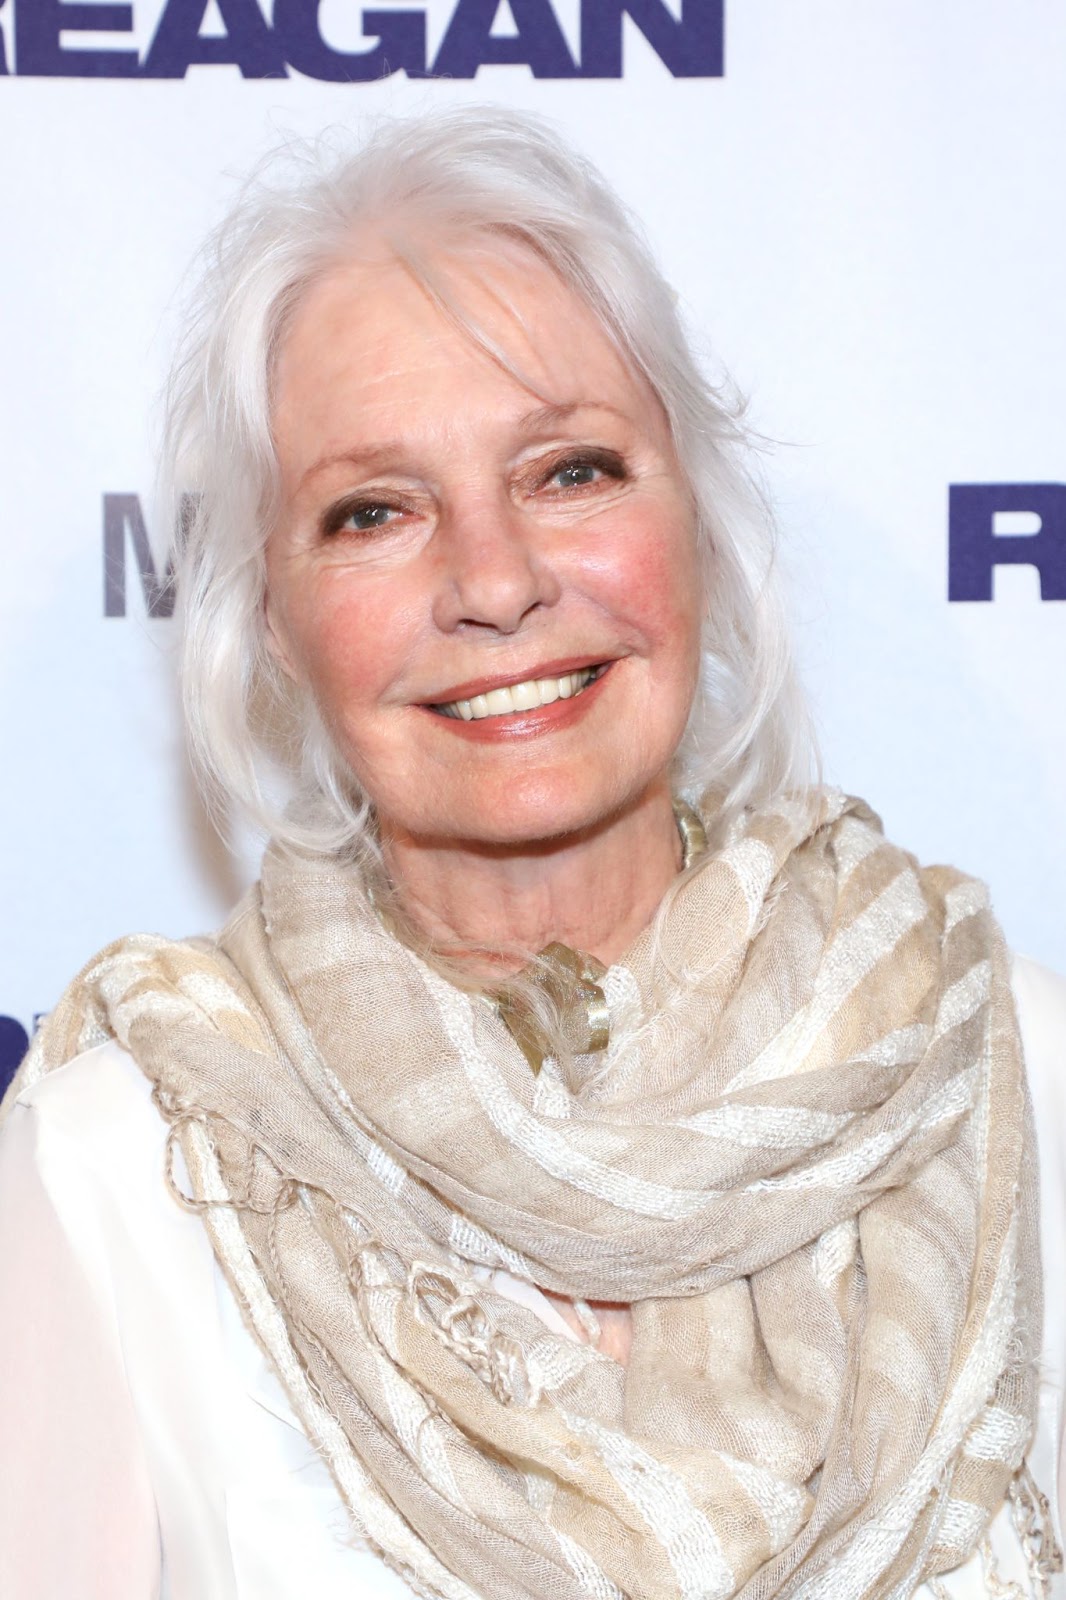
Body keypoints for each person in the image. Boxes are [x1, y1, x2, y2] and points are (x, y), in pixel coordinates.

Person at [0, 108, 1063, 1600]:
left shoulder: (1002, 1066)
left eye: (569, 471)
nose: (494, 582)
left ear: (691, 516)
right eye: (373, 511)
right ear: (271, 617)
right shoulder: (120, 1165)